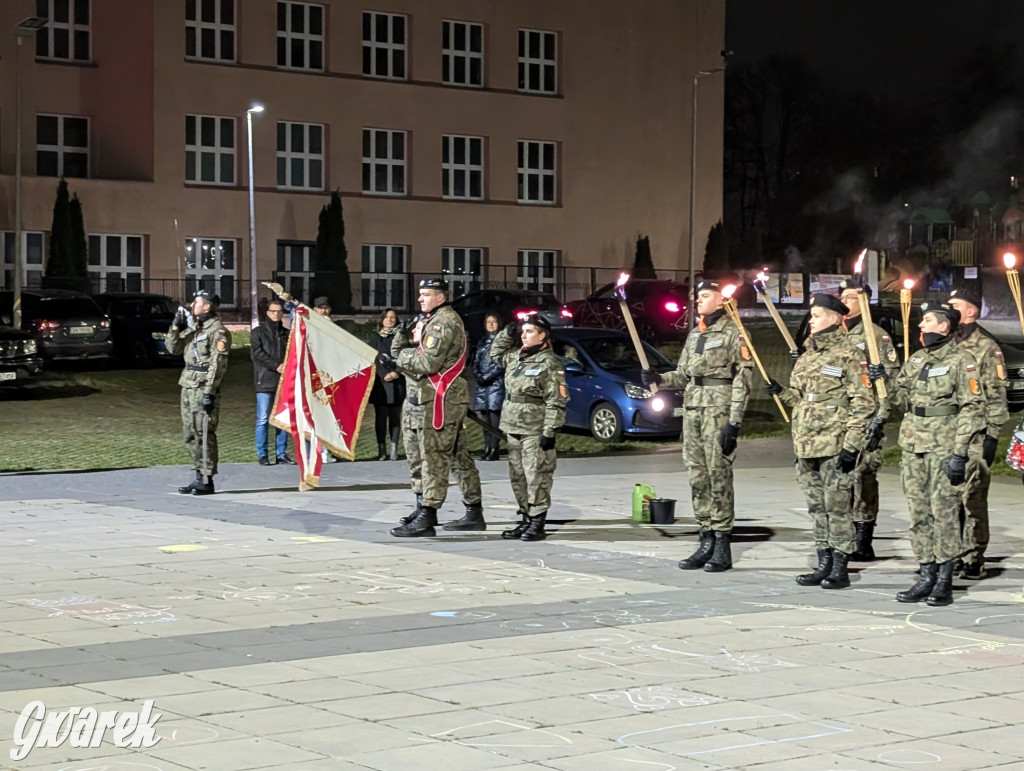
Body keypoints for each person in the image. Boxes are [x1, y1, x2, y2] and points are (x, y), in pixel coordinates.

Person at [642, 279, 754, 572]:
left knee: (719, 476)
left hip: (719, 408)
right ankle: (705, 536)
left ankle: (721, 542)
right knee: (697, 475)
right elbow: (683, 374)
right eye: (697, 296)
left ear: (721, 300)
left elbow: (743, 378)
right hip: (693, 411)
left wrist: (734, 421)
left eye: (705, 296)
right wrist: (658, 378)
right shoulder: (695, 334)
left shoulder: (735, 333)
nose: (698, 301)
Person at [765, 294, 875, 589]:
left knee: (838, 506)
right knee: (816, 506)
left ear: (836, 318)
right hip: (806, 443)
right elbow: (801, 399)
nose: (810, 320)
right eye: (811, 315)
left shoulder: (850, 355)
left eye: (816, 315)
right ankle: (823, 561)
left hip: (835, 443)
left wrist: (852, 446)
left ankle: (840, 564)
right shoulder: (807, 355)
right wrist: (780, 392)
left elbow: (863, 404)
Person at [887, 302, 984, 606]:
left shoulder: (962, 361)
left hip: (944, 446)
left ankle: (944, 579)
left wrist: (960, 452)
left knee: (943, 513)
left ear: (944, 326)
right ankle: (926, 574)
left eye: (927, 320)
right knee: (919, 512)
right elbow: (899, 399)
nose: (921, 325)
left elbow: (972, 408)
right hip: (914, 445)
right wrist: (885, 377)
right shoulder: (917, 360)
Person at [377, 278, 484, 536]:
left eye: (426, 294)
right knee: (436, 454)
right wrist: (403, 336)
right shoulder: (426, 320)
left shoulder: (443, 322)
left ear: (440, 296)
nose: (420, 299)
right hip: (421, 397)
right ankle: (463, 509)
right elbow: (402, 355)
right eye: (420, 294)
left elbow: (428, 363)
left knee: (433, 456)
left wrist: (402, 358)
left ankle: (429, 512)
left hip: (440, 398)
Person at [489, 313, 568, 541]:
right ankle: (525, 516)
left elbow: (557, 400)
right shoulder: (516, 357)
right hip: (513, 426)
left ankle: (537, 520)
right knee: (518, 476)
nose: (524, 335)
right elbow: (495, 354)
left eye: (530, 331)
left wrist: (549, 431)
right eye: (523, 331)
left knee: (537, 476)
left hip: (535, 428)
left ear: (543, 335)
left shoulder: (550, 363)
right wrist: (507, 332)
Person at [947, 288, 1009, 579]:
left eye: (955, 305)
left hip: (975, 432)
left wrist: (993, 435)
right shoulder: (948, 342)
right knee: (951, 496)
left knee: (972, 497)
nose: (950, 309)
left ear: (971, 311)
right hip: (948, 431)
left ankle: (974, 555)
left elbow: (996, 395)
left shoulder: (986, 347)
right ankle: (956, 551)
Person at [838, 279, 899, 560]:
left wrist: (881, 417)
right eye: (843, 296)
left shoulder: (877, 336)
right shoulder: (832, 334)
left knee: (864, 476)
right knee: (839, 477)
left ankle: (864, 537)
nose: (846, 302)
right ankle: (842, 534)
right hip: (837, 416)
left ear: (863, 302)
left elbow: (892, 384)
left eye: (852, 297)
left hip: (867, 415)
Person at [166, 289, 231, 495]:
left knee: (204, 432)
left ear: (207, 306)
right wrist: (176, 326)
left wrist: (209, 392)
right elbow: (172, 348)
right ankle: (197, 474)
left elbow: (218, 363)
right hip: (188, 385)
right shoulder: (195, 329)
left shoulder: (217, 332)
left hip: (203, 386)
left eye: (196, 302)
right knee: (190, 433)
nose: (191, 305)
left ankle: (207, 477)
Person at [250, 299, 293, 466]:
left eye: (279, 311)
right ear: (267, 313)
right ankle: (263, 454)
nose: (276, 314)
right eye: (273, 311)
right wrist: (277, 366)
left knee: (282, 419)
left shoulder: (286, 333)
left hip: (283, 382)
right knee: (263, 419)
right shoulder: (258, 332)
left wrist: (286, 367)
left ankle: (281, 454)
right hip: (265, 381)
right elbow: (257, 354)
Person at [368, 308, 405, 461]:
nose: (390, 320)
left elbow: (406, 355)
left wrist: (397, 372)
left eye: (393, 318)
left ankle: (394, 448)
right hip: (381, 383)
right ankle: (381, 448)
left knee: (395, 417)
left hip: (397, 382)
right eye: (387, 317)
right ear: (382, 319)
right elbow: (372, 357)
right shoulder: (375, 337)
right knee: (381, 417)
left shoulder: (401, 337)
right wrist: (384, 374)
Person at [472, 312, 506, 461]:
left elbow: (501, 363)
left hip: (496, 384)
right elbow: (476, 360)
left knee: (494, 418)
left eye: (494, 322)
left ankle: (494, 448)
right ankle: (486, 447)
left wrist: (487, 376)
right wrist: (478, 374)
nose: (491, 325)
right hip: (482, 385)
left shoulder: (502, 342)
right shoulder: (482, 341)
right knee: (483, 418)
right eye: (488, 322)